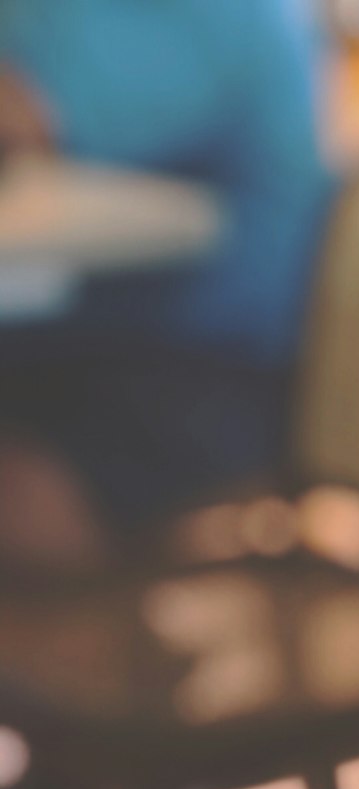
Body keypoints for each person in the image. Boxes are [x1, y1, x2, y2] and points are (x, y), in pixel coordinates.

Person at [0, 0, 333, 563]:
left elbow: (23, 116)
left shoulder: (217, 14)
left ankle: (78, 633)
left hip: (211, 372)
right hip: (111, 337)